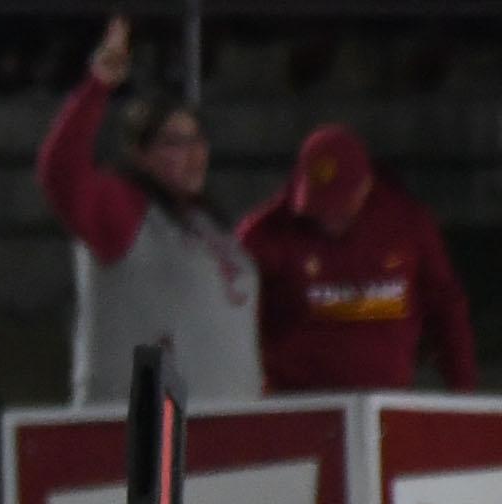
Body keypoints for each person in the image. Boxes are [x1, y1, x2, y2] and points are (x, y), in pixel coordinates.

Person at [37, 15, 259, 405]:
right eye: (175, 143)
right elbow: (61, 173)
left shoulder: (204, 221)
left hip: (220, 424)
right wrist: (98, 85)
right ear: (140, 154)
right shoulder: (125, 213)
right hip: (140, 426)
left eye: (198, 141)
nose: (193, 154)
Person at [241, 125, 476, 395]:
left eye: (341, 206)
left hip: (387, 402)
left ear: (366, 185)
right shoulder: (264, 234)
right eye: (318, 206)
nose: (329, 217)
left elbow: (446, 308)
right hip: (299, 405)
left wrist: (463, 391)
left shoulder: (408, 225)